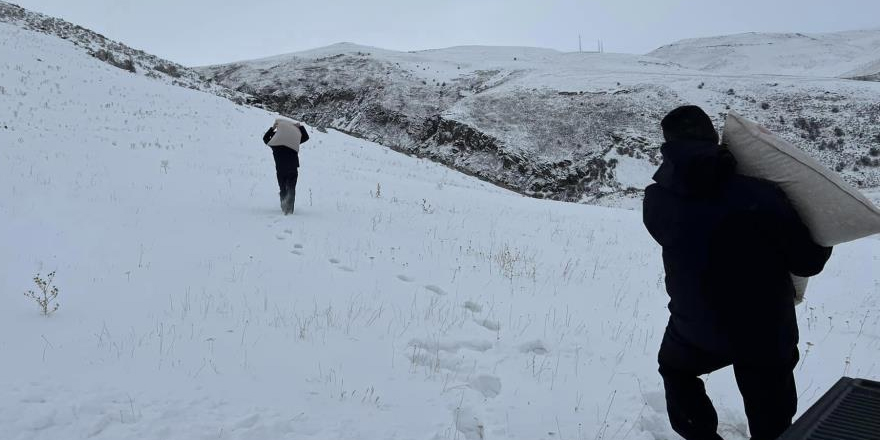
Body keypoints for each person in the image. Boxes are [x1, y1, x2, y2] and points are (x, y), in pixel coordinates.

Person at [642, 106, 833, 440]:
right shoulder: (760, 195)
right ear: (714, 138)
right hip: (765, 331)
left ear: (667, 146)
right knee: (771, 419)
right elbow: (808, 263)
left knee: (675, 370)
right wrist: (823, 230)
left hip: (696, 326)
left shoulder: (656, 199)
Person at [263, 118, 309, 215]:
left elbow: (265, 139)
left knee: (283, 189)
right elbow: (305, 137)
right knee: (291, 188)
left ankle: (284, 207)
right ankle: (290, 210)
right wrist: (300, 127)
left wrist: (273, 128)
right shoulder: (292, 142)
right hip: (293, 168)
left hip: (280, 170)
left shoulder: (275, 143)